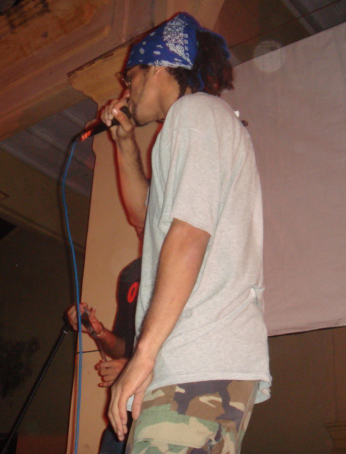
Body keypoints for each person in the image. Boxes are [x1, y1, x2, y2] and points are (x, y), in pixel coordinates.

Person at [101, 12, 271, 453]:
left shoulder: (193, 113)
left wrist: (144, 354)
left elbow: (189, 235)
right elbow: (148, 219)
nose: (126, 91)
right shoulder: (198, 122)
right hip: (203, 358)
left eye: (129, 76)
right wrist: (124, 146)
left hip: (196, 356)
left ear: (157, 67)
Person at [66, 257, 141, 454]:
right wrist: (98, 331)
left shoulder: (181, 261)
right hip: (122, 421)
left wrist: (129, 371)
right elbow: (123, 348)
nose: (140, 233)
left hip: (164, 418)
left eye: (142, 228)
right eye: (136, 229)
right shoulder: (131, 273)